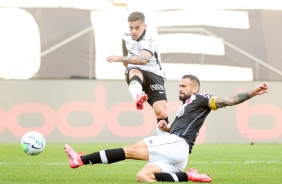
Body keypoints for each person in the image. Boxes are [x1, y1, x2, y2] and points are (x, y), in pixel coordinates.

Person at [64, 74, 269, 182]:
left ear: (195, 88)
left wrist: (252, 92)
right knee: (143, 176)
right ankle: (188, 176)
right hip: (176, 152)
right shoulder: (185, 106)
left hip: (177, 146)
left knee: (130, 150)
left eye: (183, 86)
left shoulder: (201, 98)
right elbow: (181, 127)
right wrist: (167, 127)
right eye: (179, 86)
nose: (180, 88)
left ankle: (80, 160)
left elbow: (229, 100)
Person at [106, 12, 169, 132]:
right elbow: (126, 57)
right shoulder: (125, 36)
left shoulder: (152, 38)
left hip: (154, 73)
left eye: (137, 27)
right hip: (135, 69)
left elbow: (143, 59)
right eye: (131, 27)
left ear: (144, 26)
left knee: (161, 112)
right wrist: (126, 66)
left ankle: (165, 141)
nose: (133, 31)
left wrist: (119, 58)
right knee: (134, 70)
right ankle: (138, 96)